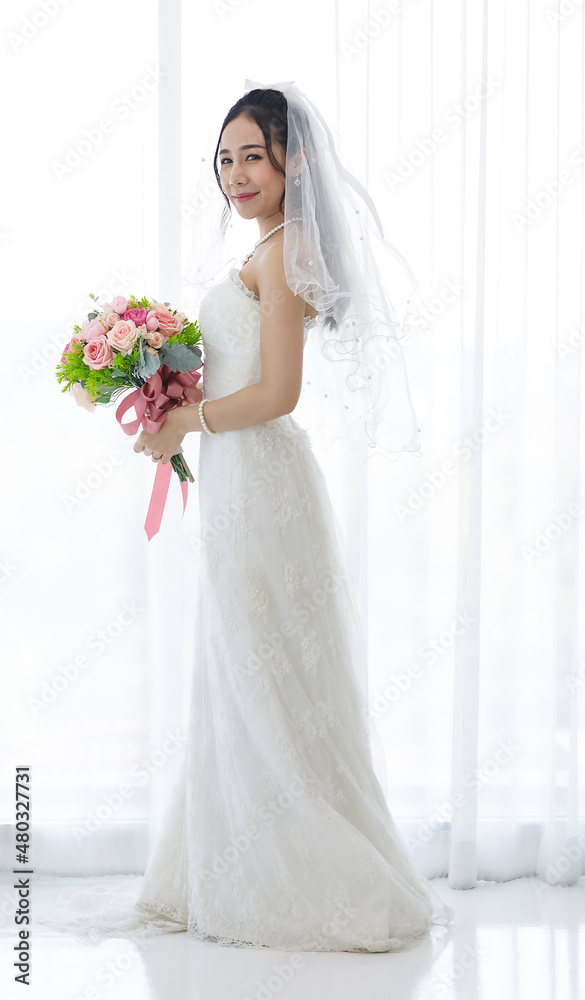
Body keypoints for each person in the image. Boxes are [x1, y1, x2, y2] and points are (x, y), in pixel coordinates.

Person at [45, 81, 454, 952]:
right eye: (224, 158)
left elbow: (277, 393)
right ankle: (227, 864)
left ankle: (297, 875)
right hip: (239, 480)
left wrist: (185, 422)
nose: (234, 173)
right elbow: (240, 375)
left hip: (262, 479)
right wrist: (169, 390)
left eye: (251, 156)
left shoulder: (287, 247)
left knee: (265, 673)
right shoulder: (267, 244)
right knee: (240, 668)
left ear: (291, 161)